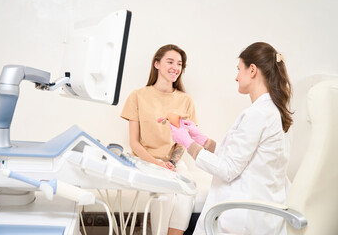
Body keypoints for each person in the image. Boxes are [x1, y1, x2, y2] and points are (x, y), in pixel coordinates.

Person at [169, 42, 293, 235]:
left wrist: (186, 142)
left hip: (245, 219)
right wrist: (202, 139)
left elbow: (228, 169)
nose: (236, 77)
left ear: (252, 70)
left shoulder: (257, 114)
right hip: (260, 215)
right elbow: (239, 158)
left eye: (238, 69)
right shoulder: (274, 111)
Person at [121, 44, 197, 235]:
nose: (175, 67)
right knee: (167, 193)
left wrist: (171, 162)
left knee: (188, 189)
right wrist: (158, 163)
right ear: (156, 64)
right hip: (145, 160)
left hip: (173, 162)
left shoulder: (185, 100)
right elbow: (134, 143)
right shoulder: (138, 96)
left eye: (179, 64)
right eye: (170, 62)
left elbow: (184, 140)